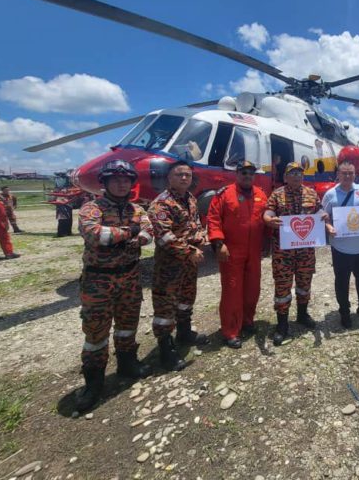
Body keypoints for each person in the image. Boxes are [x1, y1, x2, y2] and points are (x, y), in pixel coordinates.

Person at [75, 160, 154, 412]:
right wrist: (131, 232)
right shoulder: (91, 208)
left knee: (127, 324)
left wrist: (134, 236)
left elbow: (148, 232)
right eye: (116, 180)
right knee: (96, 332)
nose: (121, 184)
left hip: (130, 276)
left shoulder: (137, 209)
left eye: (126, 180)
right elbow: (95, 234)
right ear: (105, 183)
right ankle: (94, 382)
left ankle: (127, 364)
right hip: (99, 280)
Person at [148, 160, 209, 371]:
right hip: (170, 265)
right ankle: (166, 350)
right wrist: (190, 251)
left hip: (189, 265)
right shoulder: (161, 204)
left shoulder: (190, 199)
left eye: (187, 175)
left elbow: (196, 224)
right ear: (169, 177)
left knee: (186, 299)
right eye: (179, 174)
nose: (184, 178)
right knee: (165, 307)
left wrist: (201, 237)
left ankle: (184, 333)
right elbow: (164, 236)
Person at [263, 162, 326, 346]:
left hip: (306, 251)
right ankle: (282, 324)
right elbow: (268, 212)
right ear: (285, 177)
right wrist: (268, 219)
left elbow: (319, 209)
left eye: (299, 173)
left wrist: (323, 215)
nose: (297, 176)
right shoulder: (277, 194)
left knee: (304, 283)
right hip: (283, 252)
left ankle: (302, 314)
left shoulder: (311, 193)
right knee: (282, 286)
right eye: (292, 173)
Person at [207, 160, 268, 349]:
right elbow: (213, 219)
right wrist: (218, 243)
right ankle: (231, 331)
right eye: (243, 173)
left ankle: (247, 321)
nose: (247, 176)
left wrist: (268, 241)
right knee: (232, 291)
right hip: (232, 251)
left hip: (254, 251)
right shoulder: (224, 194)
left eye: (251, 173)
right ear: (237, 174)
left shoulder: (261, 194)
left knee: (252, 289)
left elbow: (266, 219)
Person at [322, 161, 359, 329]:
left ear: (355, 175)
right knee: (342, 281)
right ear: (338, 175)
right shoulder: (330, 194)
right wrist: (328, 226)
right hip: (341, 247)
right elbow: (323, 215)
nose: (347, 176)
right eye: (344, 173)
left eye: (351, 173)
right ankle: (344, 312)